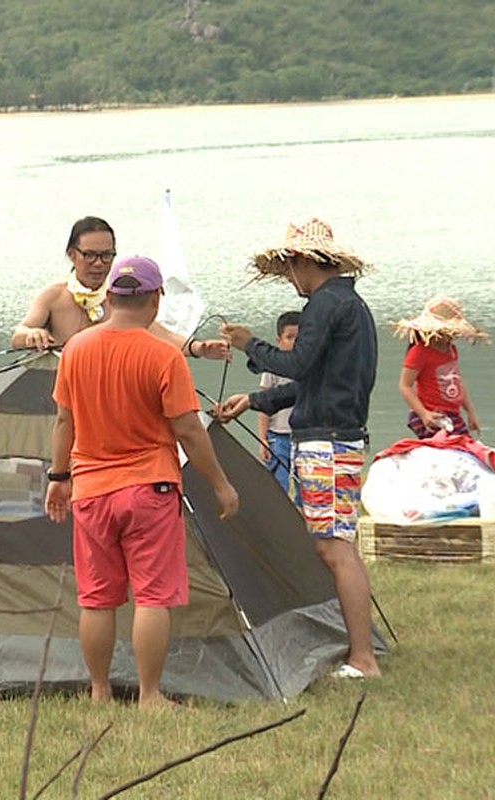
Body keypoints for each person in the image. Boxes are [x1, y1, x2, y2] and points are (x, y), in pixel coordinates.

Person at [44, 255, 238, 708]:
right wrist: (220, 483)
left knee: (97, 598)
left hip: (91, 490)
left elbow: (62, 422)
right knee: (152, 596)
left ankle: (99, 691)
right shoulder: (164, 356)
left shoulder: (76, 349)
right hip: (149, 488)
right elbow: (188, 429)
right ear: (155, 299)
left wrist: (59, 477)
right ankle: (150, 695)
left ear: (110, 297)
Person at [215, 218, 382, 679]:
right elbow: (313, 379)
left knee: (334, 548)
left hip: (326, 441)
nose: (290, 277)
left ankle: (363, 659)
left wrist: (251, 344)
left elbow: (296, 364)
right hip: (338, 433)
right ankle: (360, 650)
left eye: (290, 267)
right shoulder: (350, 305)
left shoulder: (326, 305)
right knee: (334, 544)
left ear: (306, 261)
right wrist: (254, 400)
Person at [11, 216, 230, 359]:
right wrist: (31, 334)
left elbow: (159, 333)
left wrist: (198, 348)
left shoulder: (119, 298)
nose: (98, 263)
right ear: (72, 254)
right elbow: (18, 335)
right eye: (90, 255)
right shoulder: (53, 297)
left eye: (107, 255)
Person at [392, 295, 489, 439]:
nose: (450, 336)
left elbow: (457, 382)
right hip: (431, 413)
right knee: (444, 444)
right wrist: (424, 414)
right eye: (445, 331)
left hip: (452, 415)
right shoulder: (420, 352)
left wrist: (470, 412)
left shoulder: (451, 350)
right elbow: (405, 386)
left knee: (466, 446)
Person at [256, 311, 299, 496]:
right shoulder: (273, 367)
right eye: (289, 337)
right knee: (277, 484)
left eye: (300, 338)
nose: (294, 342)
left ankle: (302, 519)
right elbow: (264, 406)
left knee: (305, 485)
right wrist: (263, 439)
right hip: (278, 436)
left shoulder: (309, 366)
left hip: (302, 437)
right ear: (279, 339)